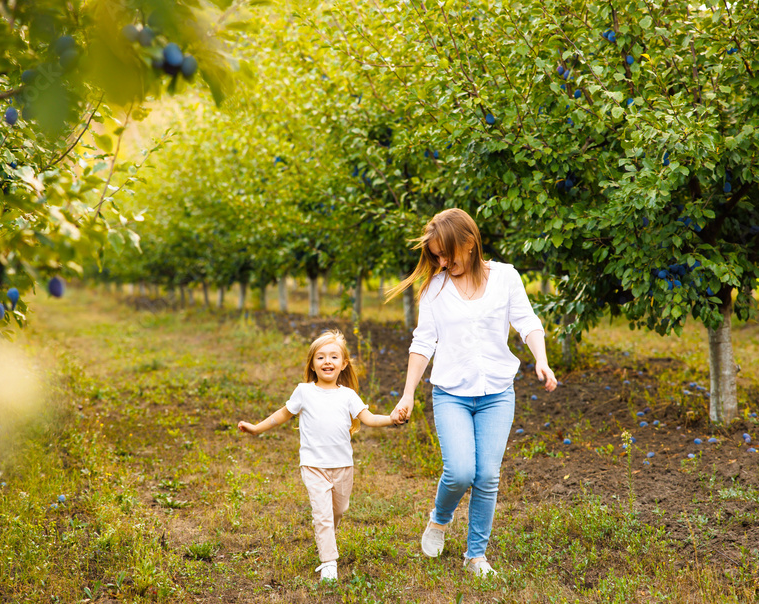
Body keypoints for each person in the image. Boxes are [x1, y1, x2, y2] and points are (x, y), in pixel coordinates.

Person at [387, 208, 558, 577]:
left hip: (497, 392)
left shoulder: (506, 277)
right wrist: (407, 394)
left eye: (446, 253)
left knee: (487, 477)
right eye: (435, 255)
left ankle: (475, 555)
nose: (442, 261)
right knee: (460, 471)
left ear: (469, 242)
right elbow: (423, 341)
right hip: (451, 393)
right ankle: (440, 518)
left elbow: (527, 321)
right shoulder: (435, 287)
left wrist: (540, 360)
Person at [238, 330, 396, 582]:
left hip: (343, 466)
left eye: (334, 357)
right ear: (312, 364)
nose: (327, 362)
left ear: (344, 364)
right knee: (322, 515)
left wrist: (392, 419)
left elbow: (369, 419)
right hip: (313, 466)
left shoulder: (348, 395)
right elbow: (281, 414)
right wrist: (256, 428)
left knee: (338, 510)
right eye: (321, 357)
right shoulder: (304, 391)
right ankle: (329, 562)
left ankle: (326, 541)